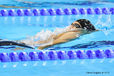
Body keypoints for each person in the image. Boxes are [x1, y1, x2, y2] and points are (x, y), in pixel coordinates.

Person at [0, 19, 97, 50]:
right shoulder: (73, 32)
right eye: (72, 23)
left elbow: (55, 42)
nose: (71, 25)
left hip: (30, 46)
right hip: (28, 44)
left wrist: (39, 49)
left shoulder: (74, 34)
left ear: (81, 28)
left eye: (74, 24)